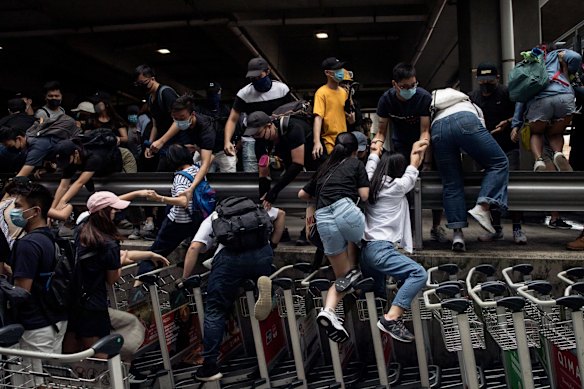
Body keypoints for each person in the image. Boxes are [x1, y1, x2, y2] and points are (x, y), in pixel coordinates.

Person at [182, 199, 286, 381]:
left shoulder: (214, 217)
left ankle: (210, 367)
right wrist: (273, 244)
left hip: (230, 261)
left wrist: (184, 279)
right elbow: (282, 214)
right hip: (262, 254)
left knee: (215, 310)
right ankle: (272, 348)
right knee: (262, 295)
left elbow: (194, 247)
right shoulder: (256, 210)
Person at [62, 191, 168, 357]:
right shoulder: (109, 244)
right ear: (104, 212)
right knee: (100, 356)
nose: (116, 213)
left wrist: (146, 255)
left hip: (75, 300)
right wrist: (119, 262)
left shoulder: (82, 228)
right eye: (113, 210)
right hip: (94, 304)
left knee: (74, 350)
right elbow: (113, 278)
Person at [298, 132, 369, 342]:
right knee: (370, 244)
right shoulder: (356, 164)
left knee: (342, 277)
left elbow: (302, 195)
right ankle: (360, 276)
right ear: (356, 150)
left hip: (323, 219)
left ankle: (328, 311)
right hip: (345, 211)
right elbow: (364, 195)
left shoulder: (324, 167)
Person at [361, 140, 429, 342]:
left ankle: (375, 341)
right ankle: (391, 319)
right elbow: (414, 166)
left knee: (378, 295)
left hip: (366, 251)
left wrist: (375, 152)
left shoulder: (370, 182)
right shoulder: (397, 186)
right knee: (418, 274)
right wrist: (419, 149)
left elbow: (371, 164)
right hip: (381, 250)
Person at [374, 62, 448, 244]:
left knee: (432, 182)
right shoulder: (386, 100)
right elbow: (381, 131)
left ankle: (436, 226)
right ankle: (409, 230)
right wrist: (376, 147)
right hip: (401, 145)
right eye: (405, 87)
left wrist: (423, 149)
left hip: (423, 143)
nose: (410, 89)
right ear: (395, 85)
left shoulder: (423, 97)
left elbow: (425, 130)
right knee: (404, 188)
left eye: (413, 85)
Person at [512, 46, 582, 229]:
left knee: (536, 133)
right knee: (556, 133)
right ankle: (560, 154)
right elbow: (576, 57)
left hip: (539, 103)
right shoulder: (558, 57)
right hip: (564, 97)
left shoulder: (529, 68)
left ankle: (538, 160)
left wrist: (516, 124)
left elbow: (520, 98)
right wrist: (569, 67)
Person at [431, 89, 509, 252]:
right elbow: (476, 146)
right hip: (466, 121)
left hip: (437, 130)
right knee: (499, 162)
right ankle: (483, 206)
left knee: (451, 183)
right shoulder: (470, 105)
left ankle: (458, 236)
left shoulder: (436, 111)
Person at [7, 183, 67, 386]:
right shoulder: (51, 237)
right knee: (50, 380)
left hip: (35, 327)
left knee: (33, 382)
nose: (14, 210)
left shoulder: (27, 244)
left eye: (18, 205)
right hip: (55, 320)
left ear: (35, 211)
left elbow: (21, 292)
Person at [469, 63, 527, 244]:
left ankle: (517, 228)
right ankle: (496, 228)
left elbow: (522, 113)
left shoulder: (507, 93)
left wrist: (508, 122)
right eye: (482, 79)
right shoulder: (473, 97)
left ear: (498, 79)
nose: (486, 83)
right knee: (488, 189)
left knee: (513, 187)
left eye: (490, 79)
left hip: (507, 147)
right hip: (484, 151)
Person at [223, 57, 293, 173]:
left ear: (267, 72)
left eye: (259, 77)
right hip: (255, 137)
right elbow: (233, 119)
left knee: (281, 168)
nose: (256, 80)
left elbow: (291, 114)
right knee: (256, 172)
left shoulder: (281, 89)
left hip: (278, 136)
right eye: (252, 78)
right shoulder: (244, 94)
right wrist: (227, 141)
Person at [243, 111, 318, 209]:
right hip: (287, 153)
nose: (257, 138)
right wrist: (264, 197)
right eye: (253, 135)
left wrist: (274, 191)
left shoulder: (293, 128)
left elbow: (298, 164)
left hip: (312, 154)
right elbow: (263, 171)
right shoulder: (260, 140)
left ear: (269, 126)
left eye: (258, 133)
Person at [49, 134, 124, 219]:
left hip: (110, 167)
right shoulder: (70, 159)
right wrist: (52, 209)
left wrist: (63, 201)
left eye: (67, 160)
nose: (67, 163)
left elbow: (80, 183)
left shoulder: (94, 157)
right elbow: (63, 186)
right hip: (88, 168)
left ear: (76, 153)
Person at [133, 64, 182, 171]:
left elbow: (179, 121)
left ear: (152, 79)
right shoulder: (150, 98)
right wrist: (150, 144)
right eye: (139, 84)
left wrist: (161, 141)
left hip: (178, 144)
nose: (142, 86)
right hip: (165, 145)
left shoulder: (166, 93)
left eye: (144, 83)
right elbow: (155, 125)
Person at [0, 111, 78, 178]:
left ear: (19, 138)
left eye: (9, 145)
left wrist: (7, 193)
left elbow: (21, 176)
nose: (9, 148)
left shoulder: (37, 145)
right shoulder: (29, 135)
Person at [312, 57, 355, 159]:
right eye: (337, 69)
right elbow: (318, 118)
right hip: (329, 142)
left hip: (344, 141)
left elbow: (345, 116)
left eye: (341, 68)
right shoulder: (321, 93)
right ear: (327, 72)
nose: (340, 72)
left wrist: (351, 120)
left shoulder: (344, 93)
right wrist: (317, 141)